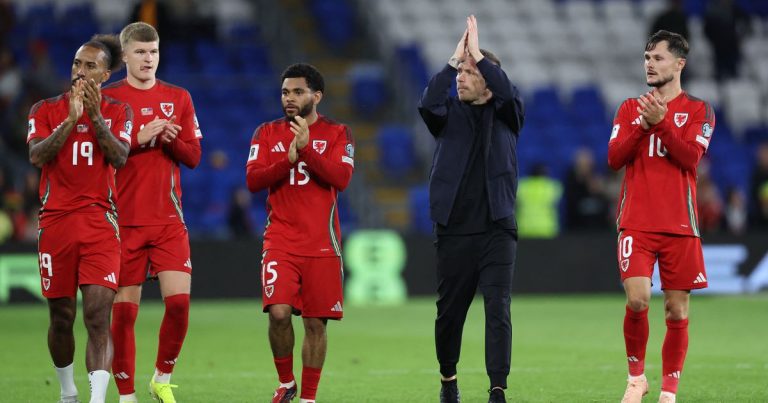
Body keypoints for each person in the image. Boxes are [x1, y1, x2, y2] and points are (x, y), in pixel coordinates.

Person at [417, 15, 524, 403]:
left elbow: (508, 92)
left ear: (488, 83)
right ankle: (448, 379)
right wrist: (454, 60)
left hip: (497, 228)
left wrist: (478, 54)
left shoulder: (507, 114)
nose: (460, 78)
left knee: (498, 308)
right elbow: (427, 101)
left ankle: (497, 390)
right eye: (460, 72)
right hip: (455, 230)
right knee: (450, 313)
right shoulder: (447, 115)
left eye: (469, 72)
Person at [608, 30, 715, 403]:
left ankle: (669, 392)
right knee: (638, 299)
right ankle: (636, 378)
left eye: (658, 58)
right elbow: (614, 159)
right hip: (636, 221)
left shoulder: (700, 110)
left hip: (680, 225)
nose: (649, 64)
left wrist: (662, 122)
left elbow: (690, 158)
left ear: (679, 63)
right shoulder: (629, 108)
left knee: (676, 309)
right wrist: (643, 124)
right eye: (646, 58)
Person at [27, 35, 132, 403]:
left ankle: (96, 400)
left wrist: (95, 116)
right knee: (61, 315)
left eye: (90, 66)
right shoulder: (44, 109)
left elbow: (119, 157)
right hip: (55, 224)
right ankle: (67, 391)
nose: (80, 71)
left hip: (100, 224)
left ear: (104, 75)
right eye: (76, 63)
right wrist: (71, 120)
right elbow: (37, 156)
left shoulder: (119, 111)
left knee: (98, 316)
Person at [101, 21, 202, 403]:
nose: (148, 59)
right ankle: (126, 396)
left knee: (178, 305)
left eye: (154, 52)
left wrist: (171, 141)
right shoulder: (108, 99)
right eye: (141, 52)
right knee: (124, 315)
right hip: (122, 222)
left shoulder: (178, 97)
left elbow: (193, 156)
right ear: (125, 56)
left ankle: (161, 378)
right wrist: (139, 139)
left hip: (168, 222)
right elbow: (100, 156)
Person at [245, 63, 354, 403]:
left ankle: (308, 398)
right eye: (284, 92)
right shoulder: (266, 132)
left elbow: (341, 179)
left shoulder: (338, 133)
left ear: (316, 96)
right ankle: (285, 381)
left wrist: (306, 149)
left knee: (315, 324)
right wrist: (289, 159)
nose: (289, 98)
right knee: (278, 313)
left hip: (322, 244)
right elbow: (253, 181)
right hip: (280, 240)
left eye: (297, 92)